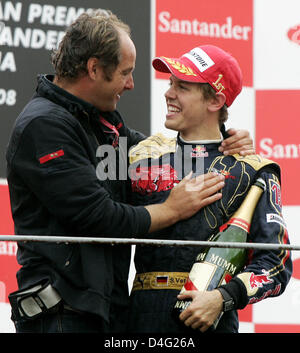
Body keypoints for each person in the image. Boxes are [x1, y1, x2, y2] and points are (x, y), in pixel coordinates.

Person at [6, 10, 254, 333]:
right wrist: (170, 210)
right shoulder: (44, 125)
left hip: (103, 315)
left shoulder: (101, 120)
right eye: (125, 73)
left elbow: (158, 152)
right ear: (94, 69)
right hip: (59, 318)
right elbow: (100, 218)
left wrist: (224, 140)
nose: (132, 84)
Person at [127, 44, 292, 333]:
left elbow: (276, 263)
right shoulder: (140, 154)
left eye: (183, 87)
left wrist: (222, 298)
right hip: (137, 319)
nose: (168, 93)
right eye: (170, 84)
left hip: (208, 322)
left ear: (215, 100)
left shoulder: (254, 169)